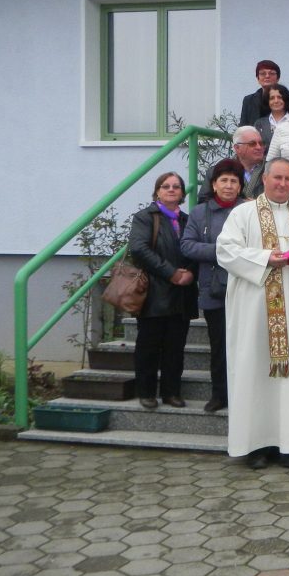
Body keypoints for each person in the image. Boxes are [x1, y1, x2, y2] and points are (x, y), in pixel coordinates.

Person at [217, 159, 289, 469]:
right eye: (277, 178)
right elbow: (225, 250)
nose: (282, 184)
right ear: (264, 178)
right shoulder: (243, 214)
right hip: (255, 312)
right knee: (255, 371)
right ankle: (256, 445)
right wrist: (267, 257)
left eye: (288, 179)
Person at [127, 172, 197, 410]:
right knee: (149, 346)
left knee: (175, 347)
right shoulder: (145, 217)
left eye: (176, 186)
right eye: (165, 186)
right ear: (157, 191)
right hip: (154, 292)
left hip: (182, 295)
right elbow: (139, 249)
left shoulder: (188, 220)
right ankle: (146, 391)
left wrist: (189, 272)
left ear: (182, 192)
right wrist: (171, 273)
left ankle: (171, 392)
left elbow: (196, 248)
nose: (171, 189)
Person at [180, 159, 244, 413]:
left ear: (240, 186)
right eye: (224, 181)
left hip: (245, 288)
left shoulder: (249, 210)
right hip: (214, 289)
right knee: (218, 346)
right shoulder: (199, 212)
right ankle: (219, 394)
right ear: (214, 185)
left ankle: (243, 396)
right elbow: (186, 245)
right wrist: (223, 251)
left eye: (234, 181)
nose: (229, 186)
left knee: (245, 346)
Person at [240, 60, 289, 127]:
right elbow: (243, 127)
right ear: (258, 78)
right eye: (263, 73)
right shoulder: (249, 100)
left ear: (278, 78)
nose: (267, 76)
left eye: (271, 73)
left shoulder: (288, 98)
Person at [254, 83, 289, 152]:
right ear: (267, 101)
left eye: (279, 97)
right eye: (272, 98)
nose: (276, 101)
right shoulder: (259, 124)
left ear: (285, 100)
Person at [232, 125, 267, 200]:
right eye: (252, 144)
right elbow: (205, 200)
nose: (259, 147)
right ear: (237, 148)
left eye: (261, 143)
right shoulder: (222, 170)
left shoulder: (271, 169)